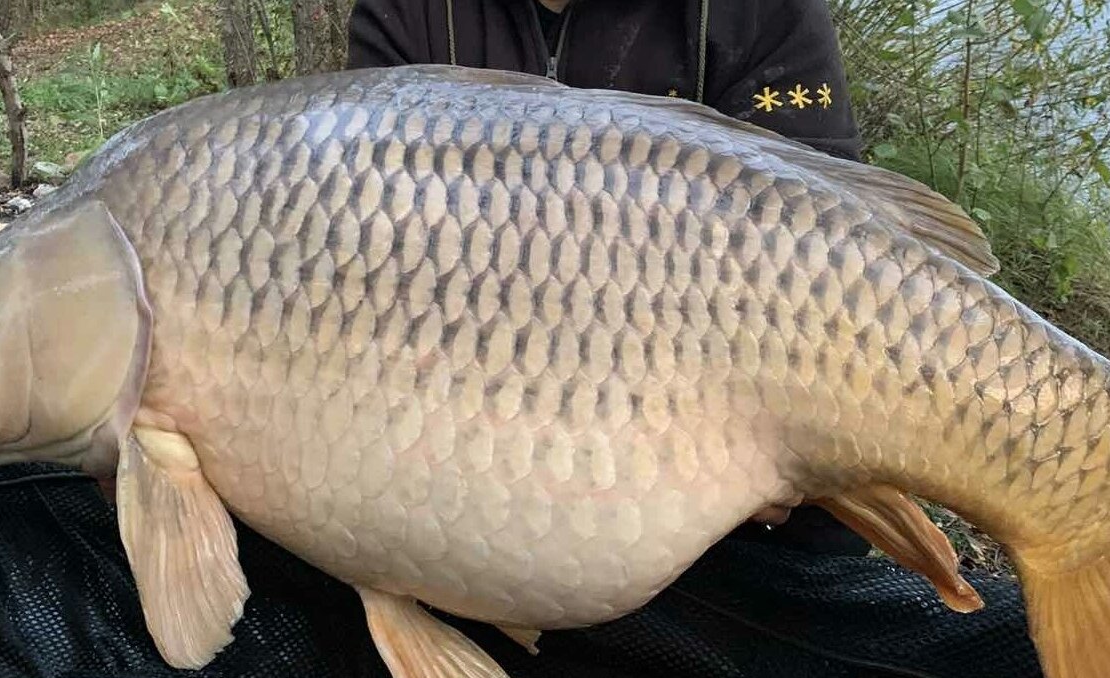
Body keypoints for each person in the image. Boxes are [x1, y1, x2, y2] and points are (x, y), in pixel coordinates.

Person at [345, 0, 870, 555]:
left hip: (736, 407)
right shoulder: (403, 14)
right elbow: (380, 270)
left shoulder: (764, 12)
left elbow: (830, 256)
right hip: (482, 426)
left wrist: (747, 445)